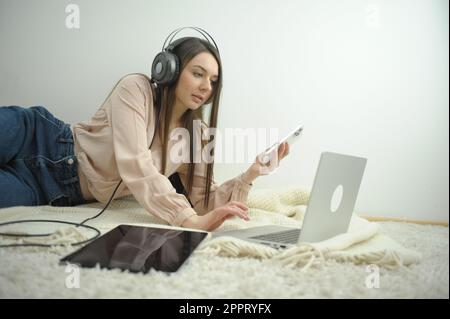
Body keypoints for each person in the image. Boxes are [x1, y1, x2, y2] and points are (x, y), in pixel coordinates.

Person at [0, 29, 289, 231]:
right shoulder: (135, 89)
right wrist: (186, 220)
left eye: (213, 80)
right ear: (170, 69)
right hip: (39, 137)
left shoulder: (195, 134)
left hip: (53, 190)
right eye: (198, 73)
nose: (206, 86)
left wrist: (251, 174)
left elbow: (202, 202)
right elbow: (136, 165)